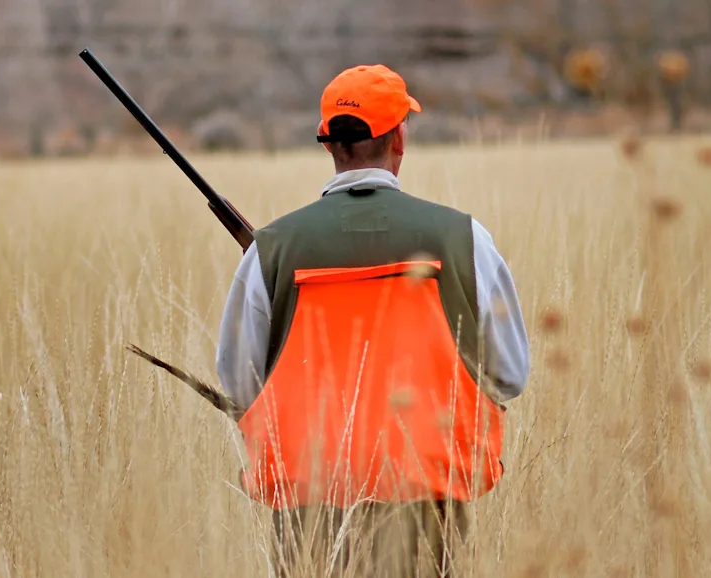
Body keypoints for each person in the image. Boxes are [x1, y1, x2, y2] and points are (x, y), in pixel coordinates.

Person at [215, 64, 530, 577]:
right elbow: (510, 376)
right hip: (430, 504)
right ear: (400, 136)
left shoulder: (270, 251)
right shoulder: (465, 238)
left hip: (307, 509)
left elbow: (238, 383)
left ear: (328, 144)